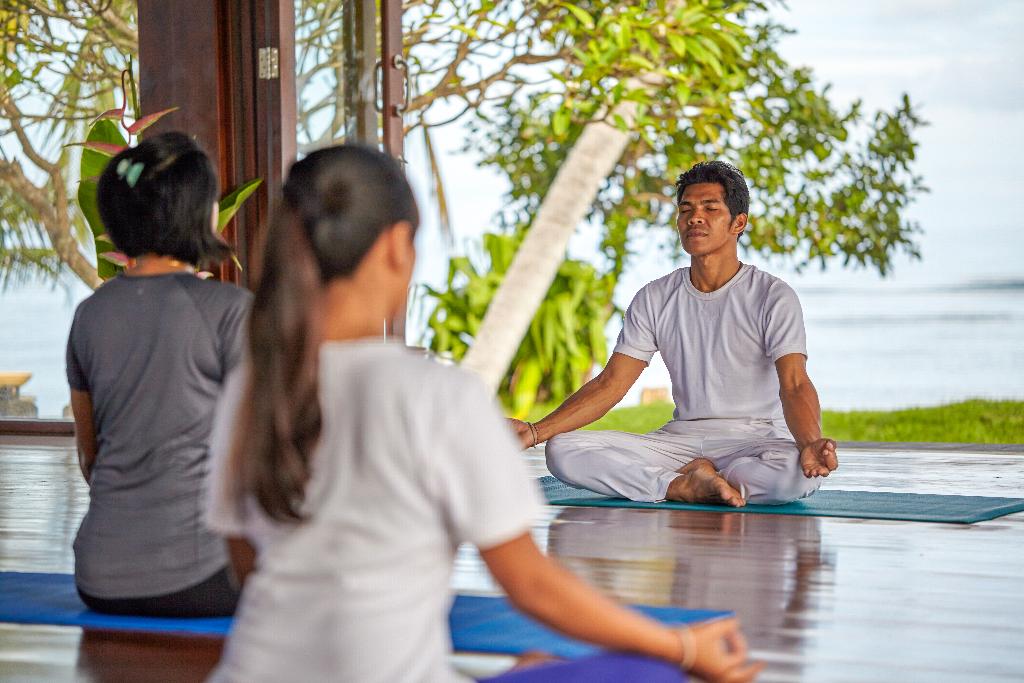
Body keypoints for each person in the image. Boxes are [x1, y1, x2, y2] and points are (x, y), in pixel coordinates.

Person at [203, 145, 761, 683]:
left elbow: (248, 564)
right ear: (398, 247)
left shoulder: (254, 387)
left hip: (247, 670)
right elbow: (533, 587)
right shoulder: (436, 394)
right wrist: (683, 646)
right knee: (650, 671)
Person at [511, 161, 838, 507]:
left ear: (738, 223)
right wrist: (535, 432)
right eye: (686, 210)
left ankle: (699, 478)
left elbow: (795, 384)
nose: (695, 218)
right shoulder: (655, 297)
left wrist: (809, 443)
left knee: (791, 477)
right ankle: (682, 486)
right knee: (563, 450)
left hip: (755, 439)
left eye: (710, 209)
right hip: (680, 441)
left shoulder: (772, 295)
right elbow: (612, 384)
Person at [66, 132, 251, 617]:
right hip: (206, 579)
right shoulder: (231, 311)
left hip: (98, 577)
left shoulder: (89, 314)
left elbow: (92, 459)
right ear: (201, 213)